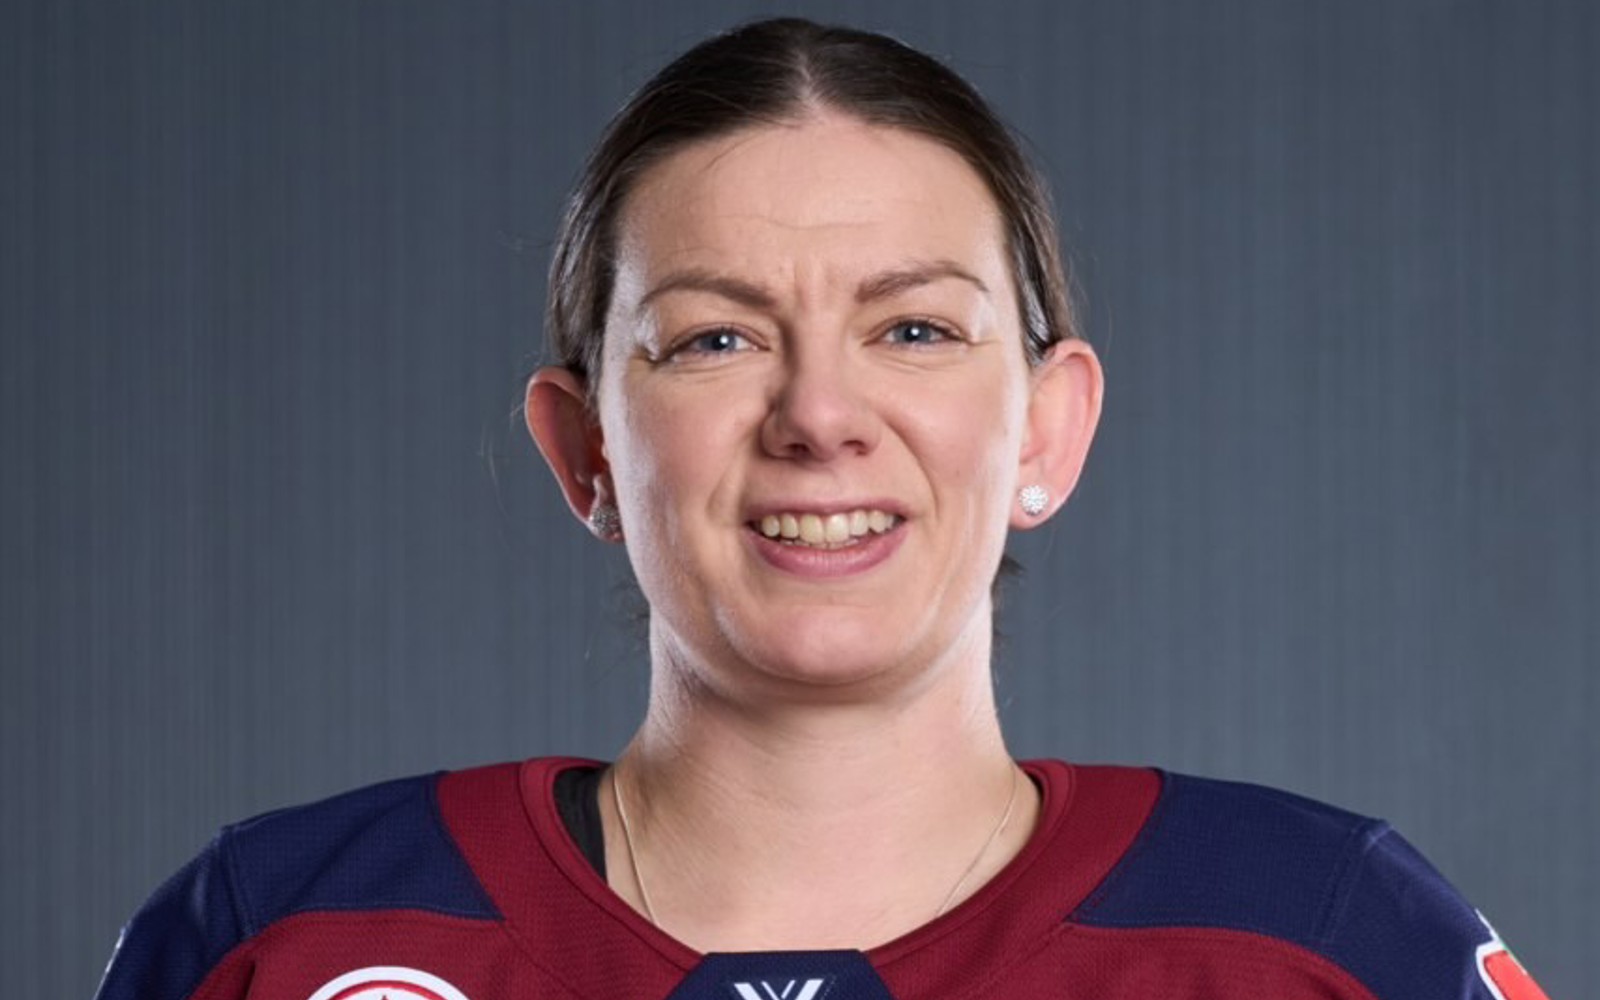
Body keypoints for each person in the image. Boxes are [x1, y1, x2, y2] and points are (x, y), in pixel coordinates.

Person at [95, 17, 1547, 1000]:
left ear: (1049, 426)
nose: (818, 415)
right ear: (584, 448)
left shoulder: (1317, 940)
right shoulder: (283, 938)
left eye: (914, 329)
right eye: (712, 338)